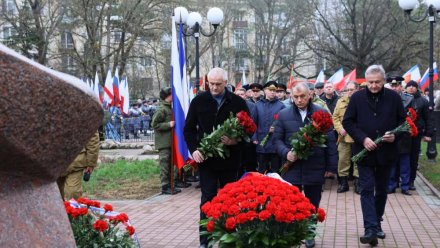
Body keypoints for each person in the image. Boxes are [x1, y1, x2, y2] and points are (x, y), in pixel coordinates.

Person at [183, 67, 249, 248]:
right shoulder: (199, 101)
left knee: (230, 200)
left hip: (230, 161)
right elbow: (188, 129)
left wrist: (235, 141)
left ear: (226, 83)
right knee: (208, 198)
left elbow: (249, 131)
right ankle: (205, 240)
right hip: (206, 161)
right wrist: (194, 149)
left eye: (218, 84)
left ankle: (230, 238)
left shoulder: (237, 102)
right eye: (211, 83)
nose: (213, 88)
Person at [343, 65, 405, 246]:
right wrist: (362, 139)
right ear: (365, 81)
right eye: (370, 82)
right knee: (367, 188)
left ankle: (377, 221)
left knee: (382, 189)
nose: (374, 85)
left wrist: (396, 135)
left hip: (386, 153)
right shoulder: (357, 97)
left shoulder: (393, 97)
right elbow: (348, 121)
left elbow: (403, 121)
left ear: (383, 81)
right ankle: (370, 228)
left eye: (377, 82)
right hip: (364, 153)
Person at [273, 82, 337, 248]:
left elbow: (330, 141)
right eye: (296, 97)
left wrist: (331, 167)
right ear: (291, 96)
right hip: (291, 165)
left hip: (315, 164)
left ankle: (309, 232)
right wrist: (286, 152)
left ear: (310, 95)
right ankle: (293, 231)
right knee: (291, 201)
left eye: (303, 96)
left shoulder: (321, 113)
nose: (299, 100)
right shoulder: (284, 114)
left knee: (312, 202)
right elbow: (277, 140)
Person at [405, 80, 434, 190]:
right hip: (403, 133)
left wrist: (428, 133)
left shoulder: (423, 101)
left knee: (413, 157)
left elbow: (429, 118)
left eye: (413, 86)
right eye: (409, 86)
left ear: (417, 88)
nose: (411, 88)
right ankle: (400, 179)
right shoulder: (401, 98)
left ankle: (411, 180)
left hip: (416, 133)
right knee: (402, 157)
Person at [387, 76, 414, 195]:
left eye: (396, 85)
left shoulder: (409, 99)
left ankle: (405, 186)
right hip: (390, 133)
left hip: (404, 135)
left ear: (401, 86)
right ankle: (391, 185)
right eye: (392, 85)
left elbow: (413, 115)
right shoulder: (385, 98)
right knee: (391, 161)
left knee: (404, 163)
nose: (394, 88)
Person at [332, 81, 360, 194]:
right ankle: (344, 183)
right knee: (343, 160)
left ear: (357, 90)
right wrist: (340, 129)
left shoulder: (362, 101)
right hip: (344, 136)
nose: (349, 92)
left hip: (358, 137)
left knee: (358, 160)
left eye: (351, 90)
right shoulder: (340, 101)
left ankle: (358, 183)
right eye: (347, 90)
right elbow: (335, 117)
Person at [253, 81, 285, 173]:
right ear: (265, 91)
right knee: (261, 170)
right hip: (261, 142)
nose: (273, 92)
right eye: (270, 90)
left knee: (275, 171)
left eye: (274, 90)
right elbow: (253, 123)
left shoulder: (281, 106)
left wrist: (277, 129)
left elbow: (283, 124)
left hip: (275, 143)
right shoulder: (257, 105)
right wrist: (254, 138)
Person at [57, 131, 100, 200]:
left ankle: (74, 209)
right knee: (54, 197)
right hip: (53, 163)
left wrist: (91, 163)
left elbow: (92, 138)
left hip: (75, 163)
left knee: (73, 194)